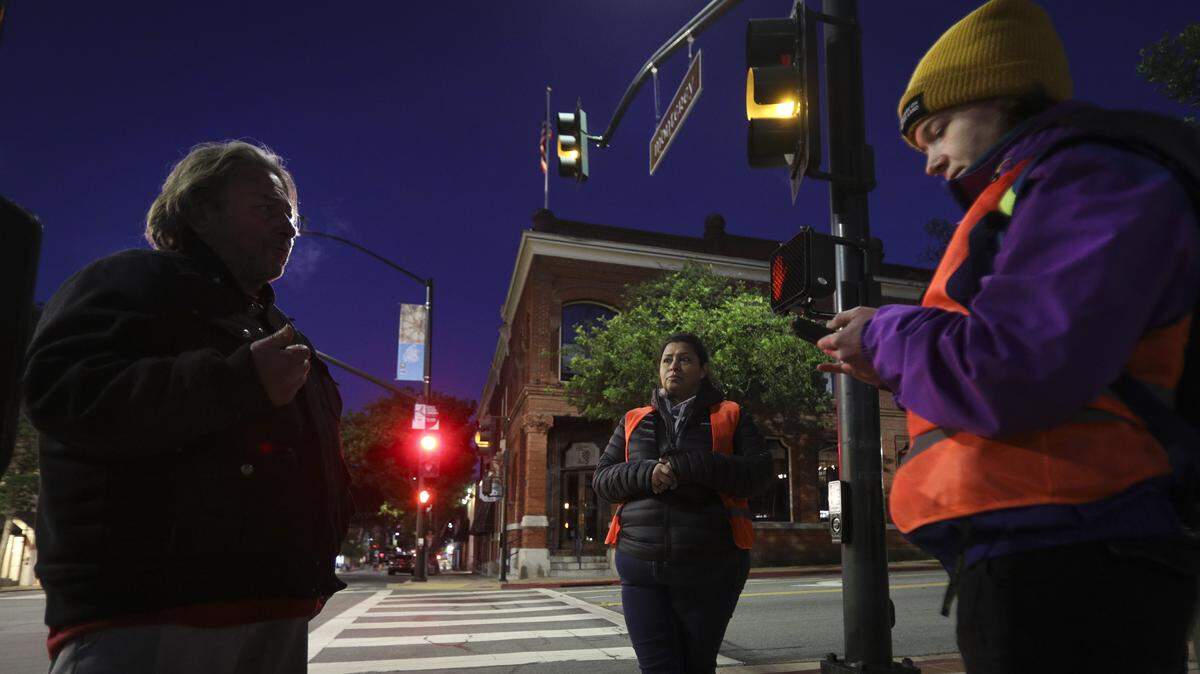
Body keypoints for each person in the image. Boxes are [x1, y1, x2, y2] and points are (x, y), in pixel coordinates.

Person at [815, 1, 1200, 672]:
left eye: (938, 131)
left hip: (1073, 551)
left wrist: (884, 334)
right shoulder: (1044, 192)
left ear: (1004, 98)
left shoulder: (1090, 177)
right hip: (1048, 543)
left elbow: (1017, 364)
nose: (930, 161)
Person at [23, 140, 354, 673]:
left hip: (278, 613)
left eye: (292, 217)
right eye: (268, 208)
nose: (290, 228)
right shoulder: (130, 282)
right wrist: (237, 382)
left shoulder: (275, 326)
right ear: (200, 210)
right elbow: (63, 394)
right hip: (148, 617)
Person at [592, 333, 772, 673]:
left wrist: (690, 465)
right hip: (640, 566)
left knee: (696, 666)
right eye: (667, 359)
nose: (674, 366)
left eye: (685, 359)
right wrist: (647, 473)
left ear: (703, 370)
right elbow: (602, 480)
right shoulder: (634, 419)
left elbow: (759, 475)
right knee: (658, 667)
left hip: (711, 566)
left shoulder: (731, 415)